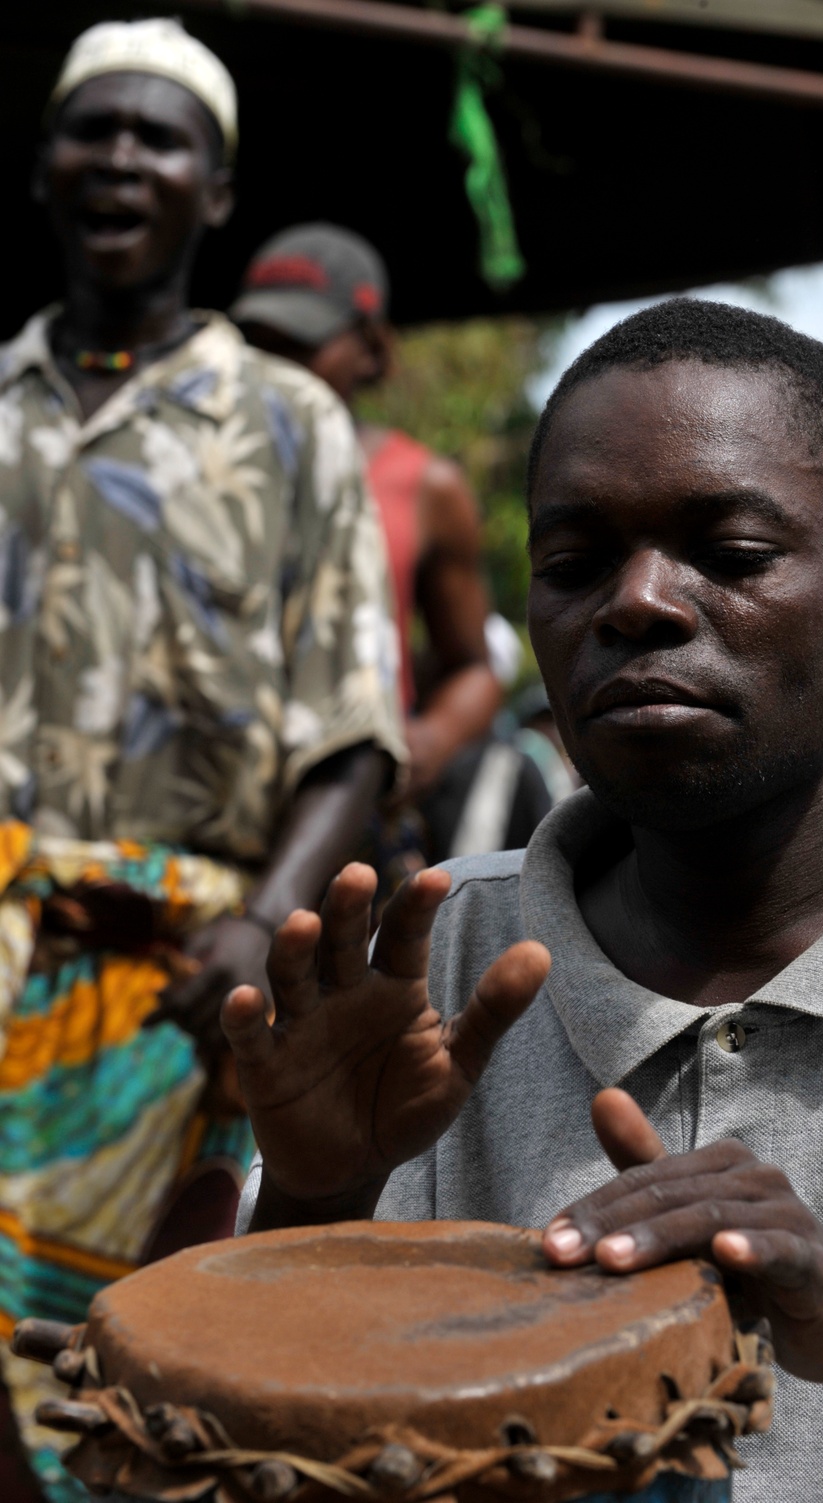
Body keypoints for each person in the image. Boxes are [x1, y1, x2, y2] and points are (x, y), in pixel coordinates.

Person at [229, 300, 823, 1503]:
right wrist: (317, 1206)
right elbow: (246, 1450)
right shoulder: (425, 971)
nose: (635, 603)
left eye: (731, 556)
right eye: (572, 566)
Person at [0, 21, 405, 1500]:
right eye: (89, 129)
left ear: (216, 191)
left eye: (157, 137)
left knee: (122, 1394)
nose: (119, 159)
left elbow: (353, 730)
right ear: (45, 165)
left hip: (169, 1000)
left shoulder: (290, 425)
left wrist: (257, 924)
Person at [231, 223, 502, 810]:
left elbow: (474, 668)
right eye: (257, 344)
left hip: (346, 806)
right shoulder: (198, 472)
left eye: (299, 345)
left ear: (372, 350)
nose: (274, 370)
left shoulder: (425, 487)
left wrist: (428, 740)